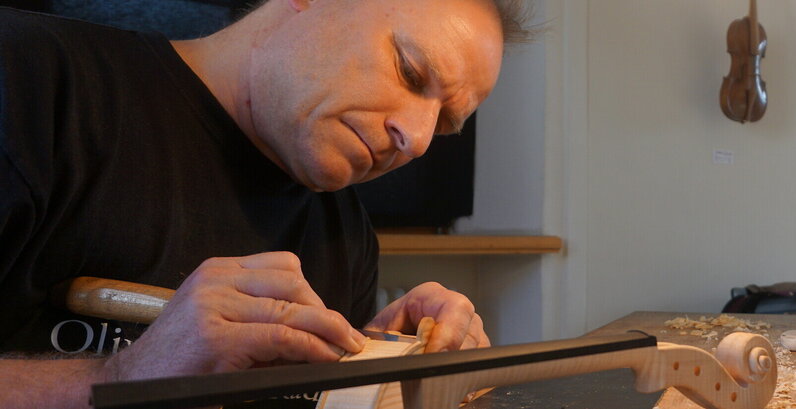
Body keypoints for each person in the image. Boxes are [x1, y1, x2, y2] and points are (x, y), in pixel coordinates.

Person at [0, 0, 530, 407]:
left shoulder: (345, 236)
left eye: (442, 126)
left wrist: (378, 377)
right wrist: (117, 380)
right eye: (410, 71)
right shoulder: (28, 76)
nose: (415, 138)